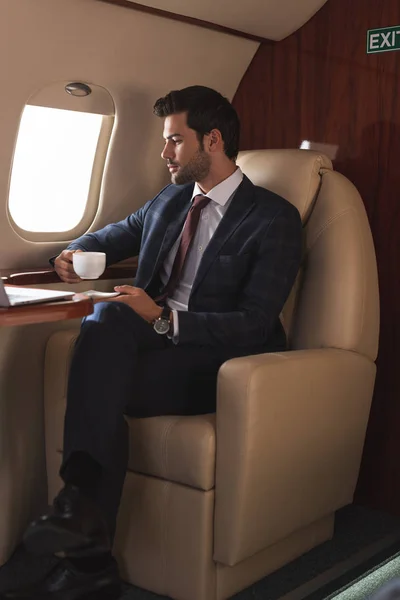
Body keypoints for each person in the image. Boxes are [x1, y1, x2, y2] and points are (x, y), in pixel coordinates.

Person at [2, 86, 302, 599]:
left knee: (100, 376)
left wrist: (164, 319)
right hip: (148, 346)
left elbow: (254, 323)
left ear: (212, 140)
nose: (164, 154)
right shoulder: (169, 201)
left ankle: (81, 538)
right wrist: (75, 252)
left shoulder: (273, 218)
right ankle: (84, 537)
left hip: (216, 363)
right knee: (107, 319)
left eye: (174, 142)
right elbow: (112, 234)